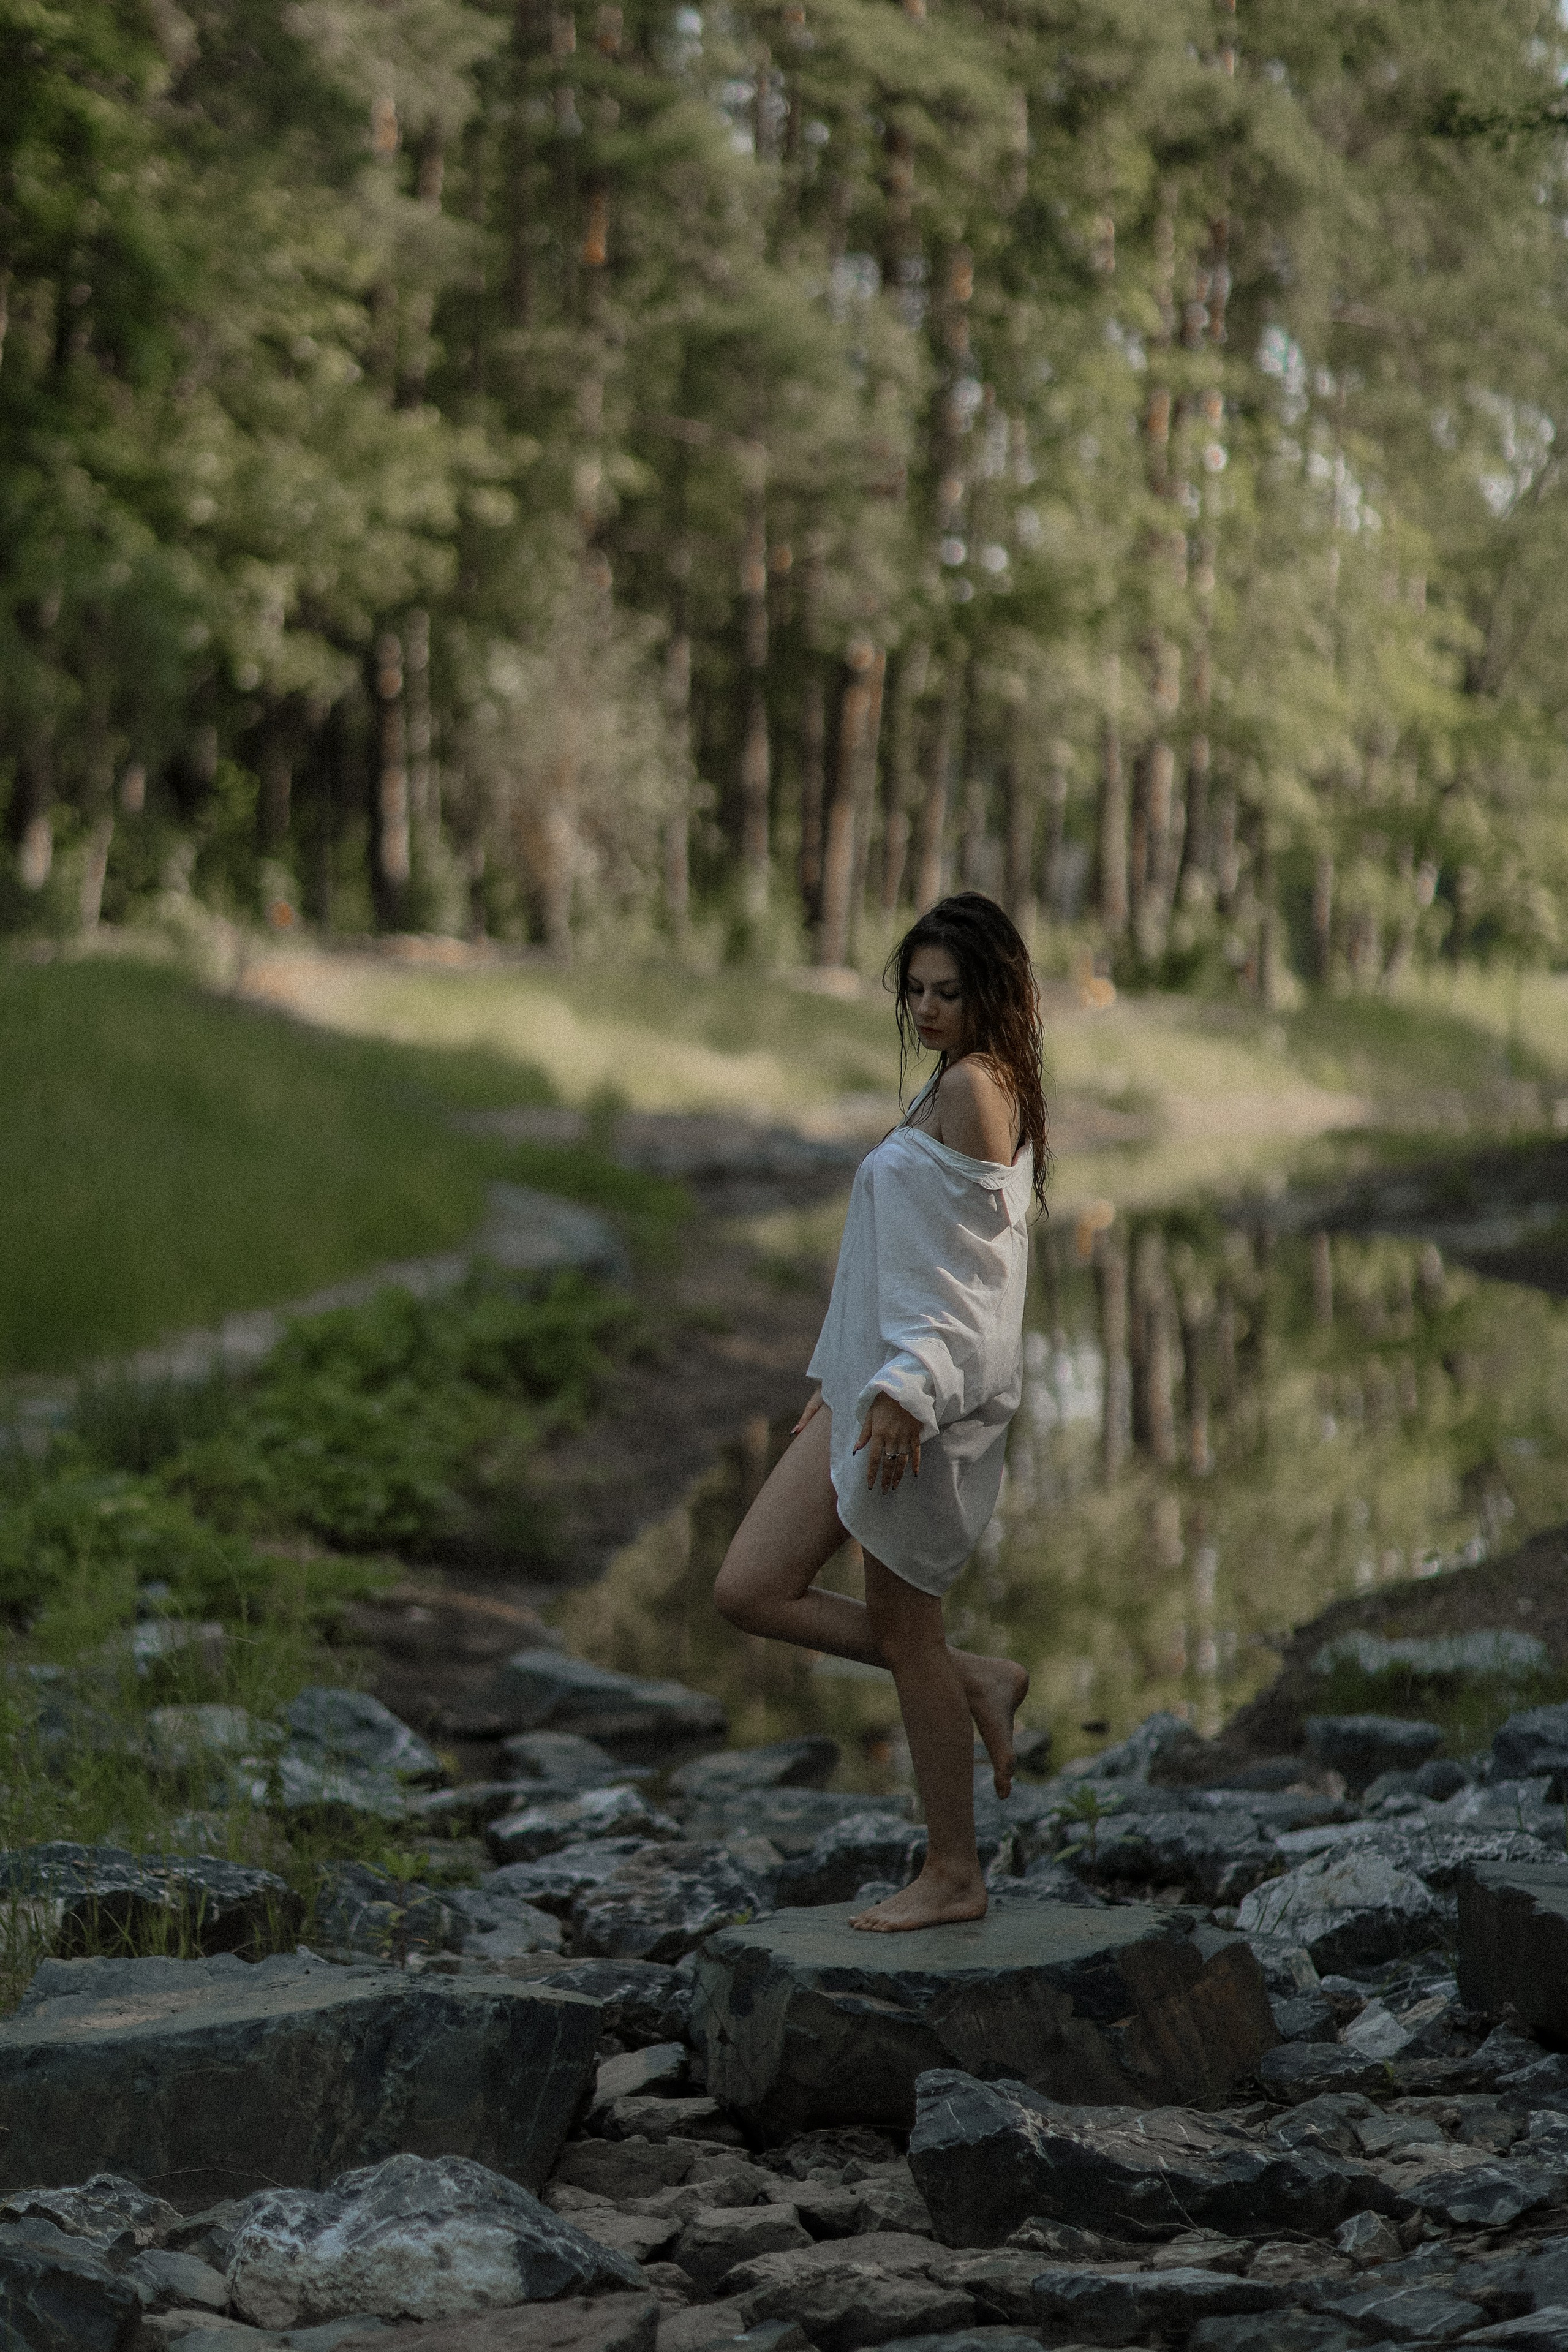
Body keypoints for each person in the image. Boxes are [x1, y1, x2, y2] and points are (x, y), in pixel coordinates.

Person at [714, 891, 1047, 1932]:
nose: (929, 1008)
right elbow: (898, 1258)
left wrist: (909, 1389)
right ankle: (974, 1677)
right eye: (916, 991)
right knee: (750, 1586)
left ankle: (954, 1872)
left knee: (908, 1636)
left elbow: (976, 1286)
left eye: (950, 991)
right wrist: (840, 1381)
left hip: (920, 1405)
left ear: (993, 993)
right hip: (869, 1389)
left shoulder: (980, 1089)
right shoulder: (951, 1081)